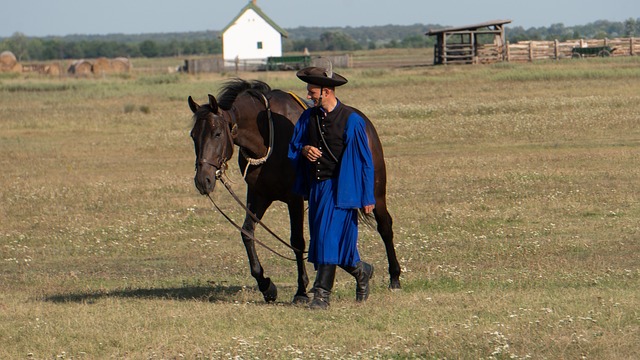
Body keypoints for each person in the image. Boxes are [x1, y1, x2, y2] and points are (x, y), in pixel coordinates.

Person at [288, 64, 375, 310]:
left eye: (311, 92)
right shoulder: (308, 117)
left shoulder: (352, 121)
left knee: (326, 239)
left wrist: (367, 196)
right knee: (327, 243)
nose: (308, 96)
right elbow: (295, 147)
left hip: (343, 190)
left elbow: (365, 162)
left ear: (326, 92)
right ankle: (362, 271)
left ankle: (321, 296)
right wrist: (305, 149)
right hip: (319, 189)